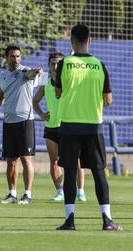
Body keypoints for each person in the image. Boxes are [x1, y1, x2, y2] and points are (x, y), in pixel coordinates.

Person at [55, 24, 122, 231]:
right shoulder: (100, 65)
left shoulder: (65, 63)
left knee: (69, 171)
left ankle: (70, 220)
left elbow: (58, 93)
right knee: (99, 172)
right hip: (93, 126)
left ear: (71, 41)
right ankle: (107, 220)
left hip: (69, 126)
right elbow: (108, 100)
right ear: (90, 40)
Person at [0, 45, 42, 204]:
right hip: (8, 122)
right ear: (7, 57)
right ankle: (12, 194)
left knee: (26, 159)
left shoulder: (24, 72)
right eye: (13, 56)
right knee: (11, 160)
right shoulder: (2, 77)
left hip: (25, 121)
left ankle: (27, 194)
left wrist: (36, 71)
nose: (16, 59)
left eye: (18, 56)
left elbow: (32, 73)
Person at [32, 52, 87, 202]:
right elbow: (35, 101)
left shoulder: (70, 79)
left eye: (59, 63)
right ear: (49, 65)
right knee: (54, 161)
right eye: (53, 63)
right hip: (51, 127)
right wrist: (42, 114)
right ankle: (59, 191)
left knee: (76, 161)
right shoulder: (45, 81)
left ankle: (80, 191)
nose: (56, 66)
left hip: (69, 126)